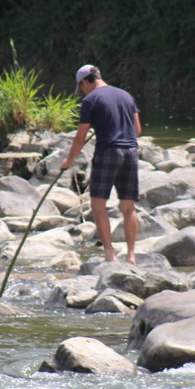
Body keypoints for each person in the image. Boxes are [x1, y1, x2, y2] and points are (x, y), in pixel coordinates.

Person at [60, 64, 142, 264]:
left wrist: (69, 160)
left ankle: (110, 255)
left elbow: (80, 137)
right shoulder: (126, 95)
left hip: (108, 152)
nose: (82, 93)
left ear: (84, 82)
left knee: (98, 206)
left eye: (82, 88)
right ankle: (131, 255)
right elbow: (137, 130)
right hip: (131, 152)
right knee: (128, 207)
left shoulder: (90, 100)